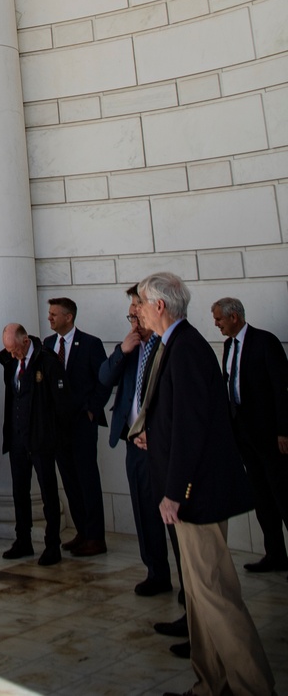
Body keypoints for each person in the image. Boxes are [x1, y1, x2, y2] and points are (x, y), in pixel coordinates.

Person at [132, 272, 274, 696]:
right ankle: (210, 683)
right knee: (197, 596)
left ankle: (253, 688)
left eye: (140, 303)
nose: (136, 310)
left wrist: (174, 492)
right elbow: (177, 418)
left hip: (196, 495)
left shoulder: (187, 348)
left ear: (159, 306)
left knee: (215, 596)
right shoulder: (175, 344)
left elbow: (192, 429)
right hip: (190, 492)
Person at [99, 286, 181, 597]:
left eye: (138, 311)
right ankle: (156, 572)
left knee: (172, 516)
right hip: (134, 443)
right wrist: (123, 350)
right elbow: (104, 378)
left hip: (162, 446)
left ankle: (189, 582)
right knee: (144, 511)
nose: (134, 318)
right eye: (131, 314)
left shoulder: (167, 345)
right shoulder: (131, 348)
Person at [211, 296, 288, 574]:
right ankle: (276, 555)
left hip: (269, 436)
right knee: (262, 499)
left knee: (283, 495)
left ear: (234, 317)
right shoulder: (228, 345)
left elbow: (281, 388)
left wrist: (283, 430)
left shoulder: (265, 342)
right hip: (242, 435)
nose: (216, 324)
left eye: (219, 319)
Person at [44, 295, 108, 556]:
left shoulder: (91, 344)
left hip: (83, 423)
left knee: (87, 479)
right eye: (49, 314)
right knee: (69, 481)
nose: (50, 318)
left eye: (54, 314)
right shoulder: (48, 344)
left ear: (68, 317)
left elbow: (103, 380)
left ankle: (96, 537)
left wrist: (92, 411)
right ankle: (82, 531)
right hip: (58, 427)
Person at [0, 322, 65, 566]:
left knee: (48, 493)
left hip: (41, 438)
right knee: (19, 492)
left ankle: (52, 544)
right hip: (17, 438)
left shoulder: (46, 360)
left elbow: (59, 403)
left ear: (26, 341)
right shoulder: (11, 362)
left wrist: (52, 434)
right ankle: (22, 540)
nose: (12, 355)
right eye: (9, 351)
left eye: (15, 349)